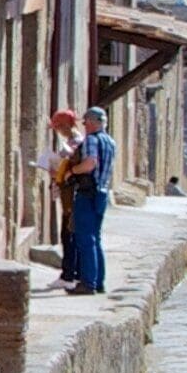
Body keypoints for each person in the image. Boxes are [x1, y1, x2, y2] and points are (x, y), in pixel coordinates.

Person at [64, 107, 117, 293]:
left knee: (85, 238)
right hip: (102, 193)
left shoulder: (92, 140)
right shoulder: (110, 142)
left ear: (94, 122)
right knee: (96, 237)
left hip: (88, 193)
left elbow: (90, 163)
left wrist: (72, 171)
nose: (84, 126)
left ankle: (88, 282)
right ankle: (98, 280)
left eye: (86, 122)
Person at [42, 109, 84, 286]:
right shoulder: (73, 141)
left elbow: (68, 170)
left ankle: (69, 275)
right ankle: (71, 273)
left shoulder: (75, 143)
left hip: (71, 195)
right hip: (69, 194)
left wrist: (54, 171)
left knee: (69, 234)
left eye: (59, 127)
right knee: (69, 234)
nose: (57, 131)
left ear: (66, 126)